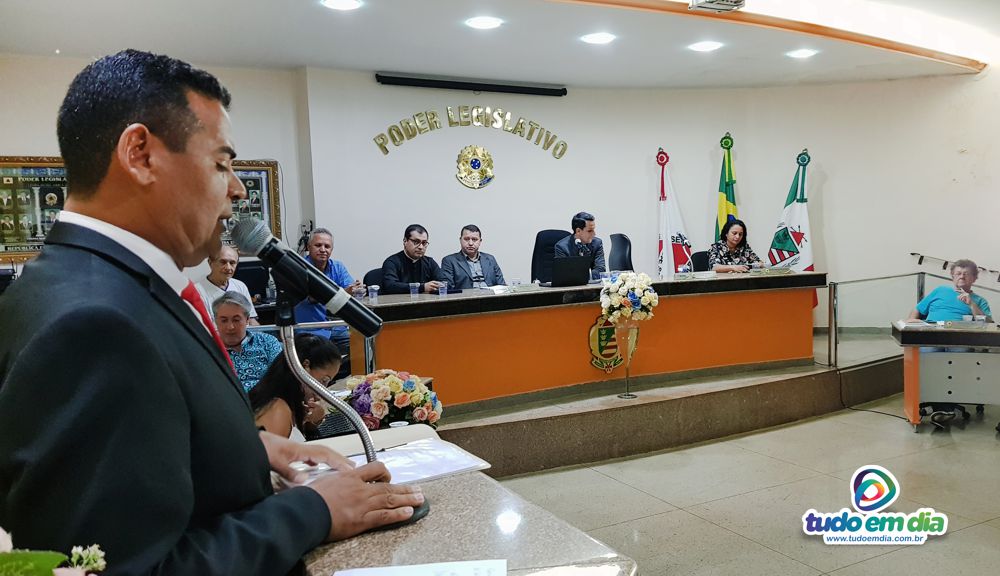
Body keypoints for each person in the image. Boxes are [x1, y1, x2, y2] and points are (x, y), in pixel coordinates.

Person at [0, 50, 422, 576]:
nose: (239, 188)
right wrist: (314, 509)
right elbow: (131, 568)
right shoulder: (91, 324)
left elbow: (144, 436)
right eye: (221, 163)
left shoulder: (92, 281)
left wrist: (252, 448)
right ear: (141, 154)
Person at [294, 227, 362, 379]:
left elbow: (351, 292)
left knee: (361, 346)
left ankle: (335, 382)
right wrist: (344, 292)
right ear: (308, 247)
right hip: (311, 329)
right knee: (320, 356)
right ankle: (323, 384)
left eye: (327, 246)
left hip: (336, 327)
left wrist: (358, 289)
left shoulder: (337, 267)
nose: (323, 249)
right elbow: (312, 298)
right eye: (318, 245)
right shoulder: (299, 268)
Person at [250, 333, 340, 442]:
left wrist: (312, 421)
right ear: (305, 366)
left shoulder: (292, 402)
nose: (323, 389)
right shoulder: (276, 409)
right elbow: (269, 457)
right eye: (324, 380)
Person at [214, 291, 283, 392]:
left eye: (236, 320)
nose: (230, 327)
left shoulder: (267, 342)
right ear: (215, 321)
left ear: (247, 319)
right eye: (224, 320)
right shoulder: (208, 349)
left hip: (267, 401)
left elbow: (281, 378)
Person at [908, 259, 992, 322]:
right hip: (932, 335)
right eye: (958, 273)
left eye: (966, 274)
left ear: (974, 278)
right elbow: (918, 309)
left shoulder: (980, 301)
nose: (962, 276)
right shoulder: (940, 290)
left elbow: (988, 323)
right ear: (953, 277)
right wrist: (911, 324)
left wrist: (972, 304)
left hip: (960, 338)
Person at [197, 244, 260, 325]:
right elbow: (205, 327)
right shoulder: (198, 291)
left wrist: (262, 334)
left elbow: (251, 319)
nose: (228, 267)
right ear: (210, 263)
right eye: (223, 262)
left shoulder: (240, 286)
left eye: (232, 263)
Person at [381, 224, 444, 294]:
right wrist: (422, 287)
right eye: (416, 242)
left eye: (424, 243)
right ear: (405, 241)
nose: (421, 247)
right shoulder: (392, 262)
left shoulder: (429, 262)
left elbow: (443, 282)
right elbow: (390, 286)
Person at [441, 224, 506, 289]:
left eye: (474, 239)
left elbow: (502, 285)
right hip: (466, 298)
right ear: (460, 240)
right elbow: (448, 288)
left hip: (491, 297)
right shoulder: (449, 261)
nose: (470, 243)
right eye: (466, 239)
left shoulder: (490, 259)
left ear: (480, 241)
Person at [554, 211, 606, 280]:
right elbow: (564, 274)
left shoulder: (597, 243)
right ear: (578, 231)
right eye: (590, 231)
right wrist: (589, 274)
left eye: (594, 230)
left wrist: (580, 275)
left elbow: (601, 270)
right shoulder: (561, 247)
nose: (594, 234)